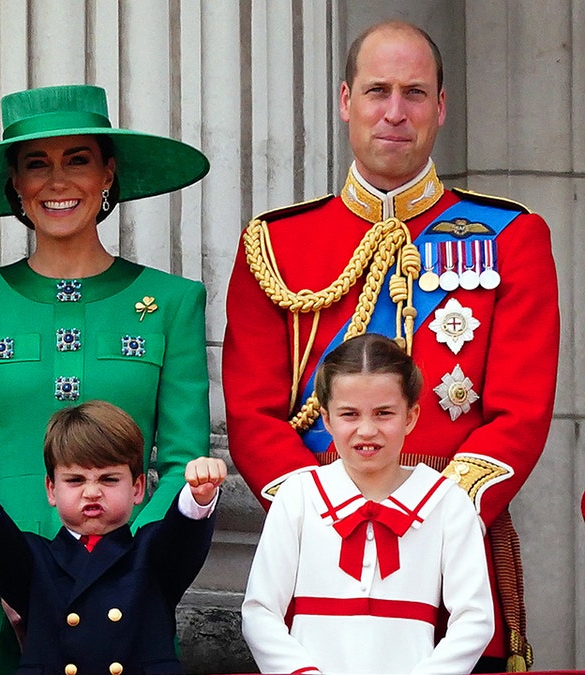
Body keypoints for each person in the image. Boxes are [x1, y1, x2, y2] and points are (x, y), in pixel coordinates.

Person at [222, 20, 558, 669]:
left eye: (414, 92)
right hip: (317, 569)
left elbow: (520, 414)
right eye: (378, 91)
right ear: (347, 100)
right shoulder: (275, 245)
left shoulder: (512, 236)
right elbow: (252, 414)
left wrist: (429, 519)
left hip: (453, 562)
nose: (395, 112)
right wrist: (329, 517)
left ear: (440, 107)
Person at [0, 83, 212, 675]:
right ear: (15, 183)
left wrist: (135, 571)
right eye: (36, 164)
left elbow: (184, 459)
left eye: (78, 159)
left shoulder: (174, 301)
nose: (57, 182)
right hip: (9, 600)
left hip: (130, 606)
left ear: (108, 173)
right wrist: (4, 579)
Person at [241, 333, 493, 674]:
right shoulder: (298, 496)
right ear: (327, 419)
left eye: (383, 413)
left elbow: (475, 620)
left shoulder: (448, 502)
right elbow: (260, 611)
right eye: (349, 414)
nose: (366, 430)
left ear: (411, 416)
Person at [0, 400, 225, 675]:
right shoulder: (36, 560)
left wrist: (199, 494)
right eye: (75, 480)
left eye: (108, 479)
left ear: (138, 488)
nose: (92, 492)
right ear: (51, 489)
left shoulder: (150, 554)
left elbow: (183, 535)